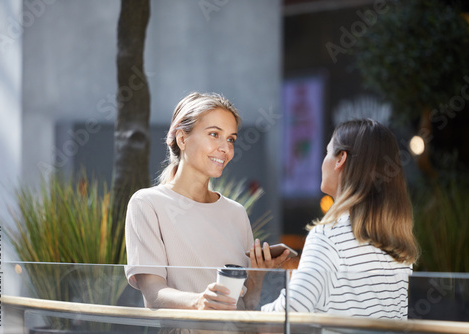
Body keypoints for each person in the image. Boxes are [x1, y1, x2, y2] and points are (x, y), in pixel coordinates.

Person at [125, 92, 289, 311]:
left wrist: (256, 276)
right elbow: (153, 294)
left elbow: (248, 305)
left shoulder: (236, 213)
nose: (226, 149)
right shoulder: (147, 204)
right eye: (214, 134)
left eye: (231, 139)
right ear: (182, 139)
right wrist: (198, 301)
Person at [261, 119, 420, 319]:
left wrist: (253, 291)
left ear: (340, 159)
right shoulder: (397, 245)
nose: (323, 161)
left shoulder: (329, 237)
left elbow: (287, 315)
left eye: (327, 152)